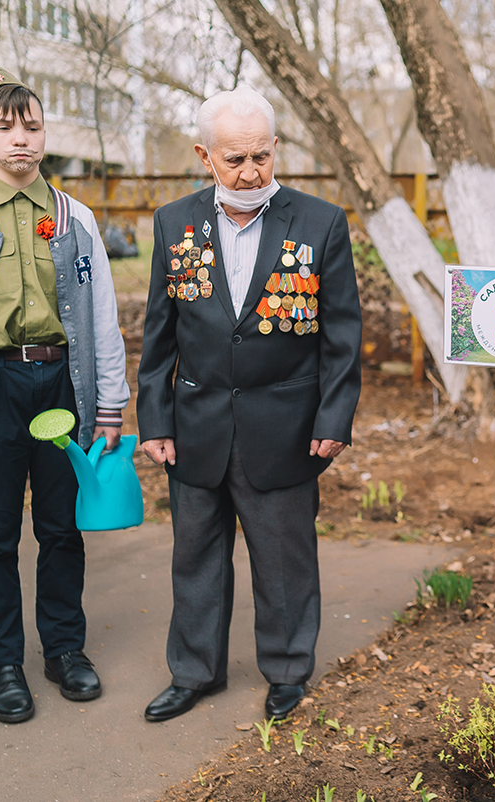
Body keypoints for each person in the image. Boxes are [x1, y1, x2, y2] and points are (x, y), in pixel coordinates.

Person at [137, 87, 362, 722]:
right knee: (195, 558)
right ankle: (194, 672)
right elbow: (159, 336)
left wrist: (334, 417)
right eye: (235, 159)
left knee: (285, 560)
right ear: (204, 156)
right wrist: (153, 419)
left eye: (262, 156)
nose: (250, 172)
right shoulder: (171, 223)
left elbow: (342, 336)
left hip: (285, 428)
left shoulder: (320, 223)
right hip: (196, 424)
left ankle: (288, 671)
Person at [0, 67, 129, 723]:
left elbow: (101, 315)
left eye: (31, 126)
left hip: (62, 383)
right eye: (6, 127)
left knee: (62, 528)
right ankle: (2, 663)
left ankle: (65, 650)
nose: (21, 140)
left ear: (44, 134)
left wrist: (110, 403)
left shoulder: (75, 219)